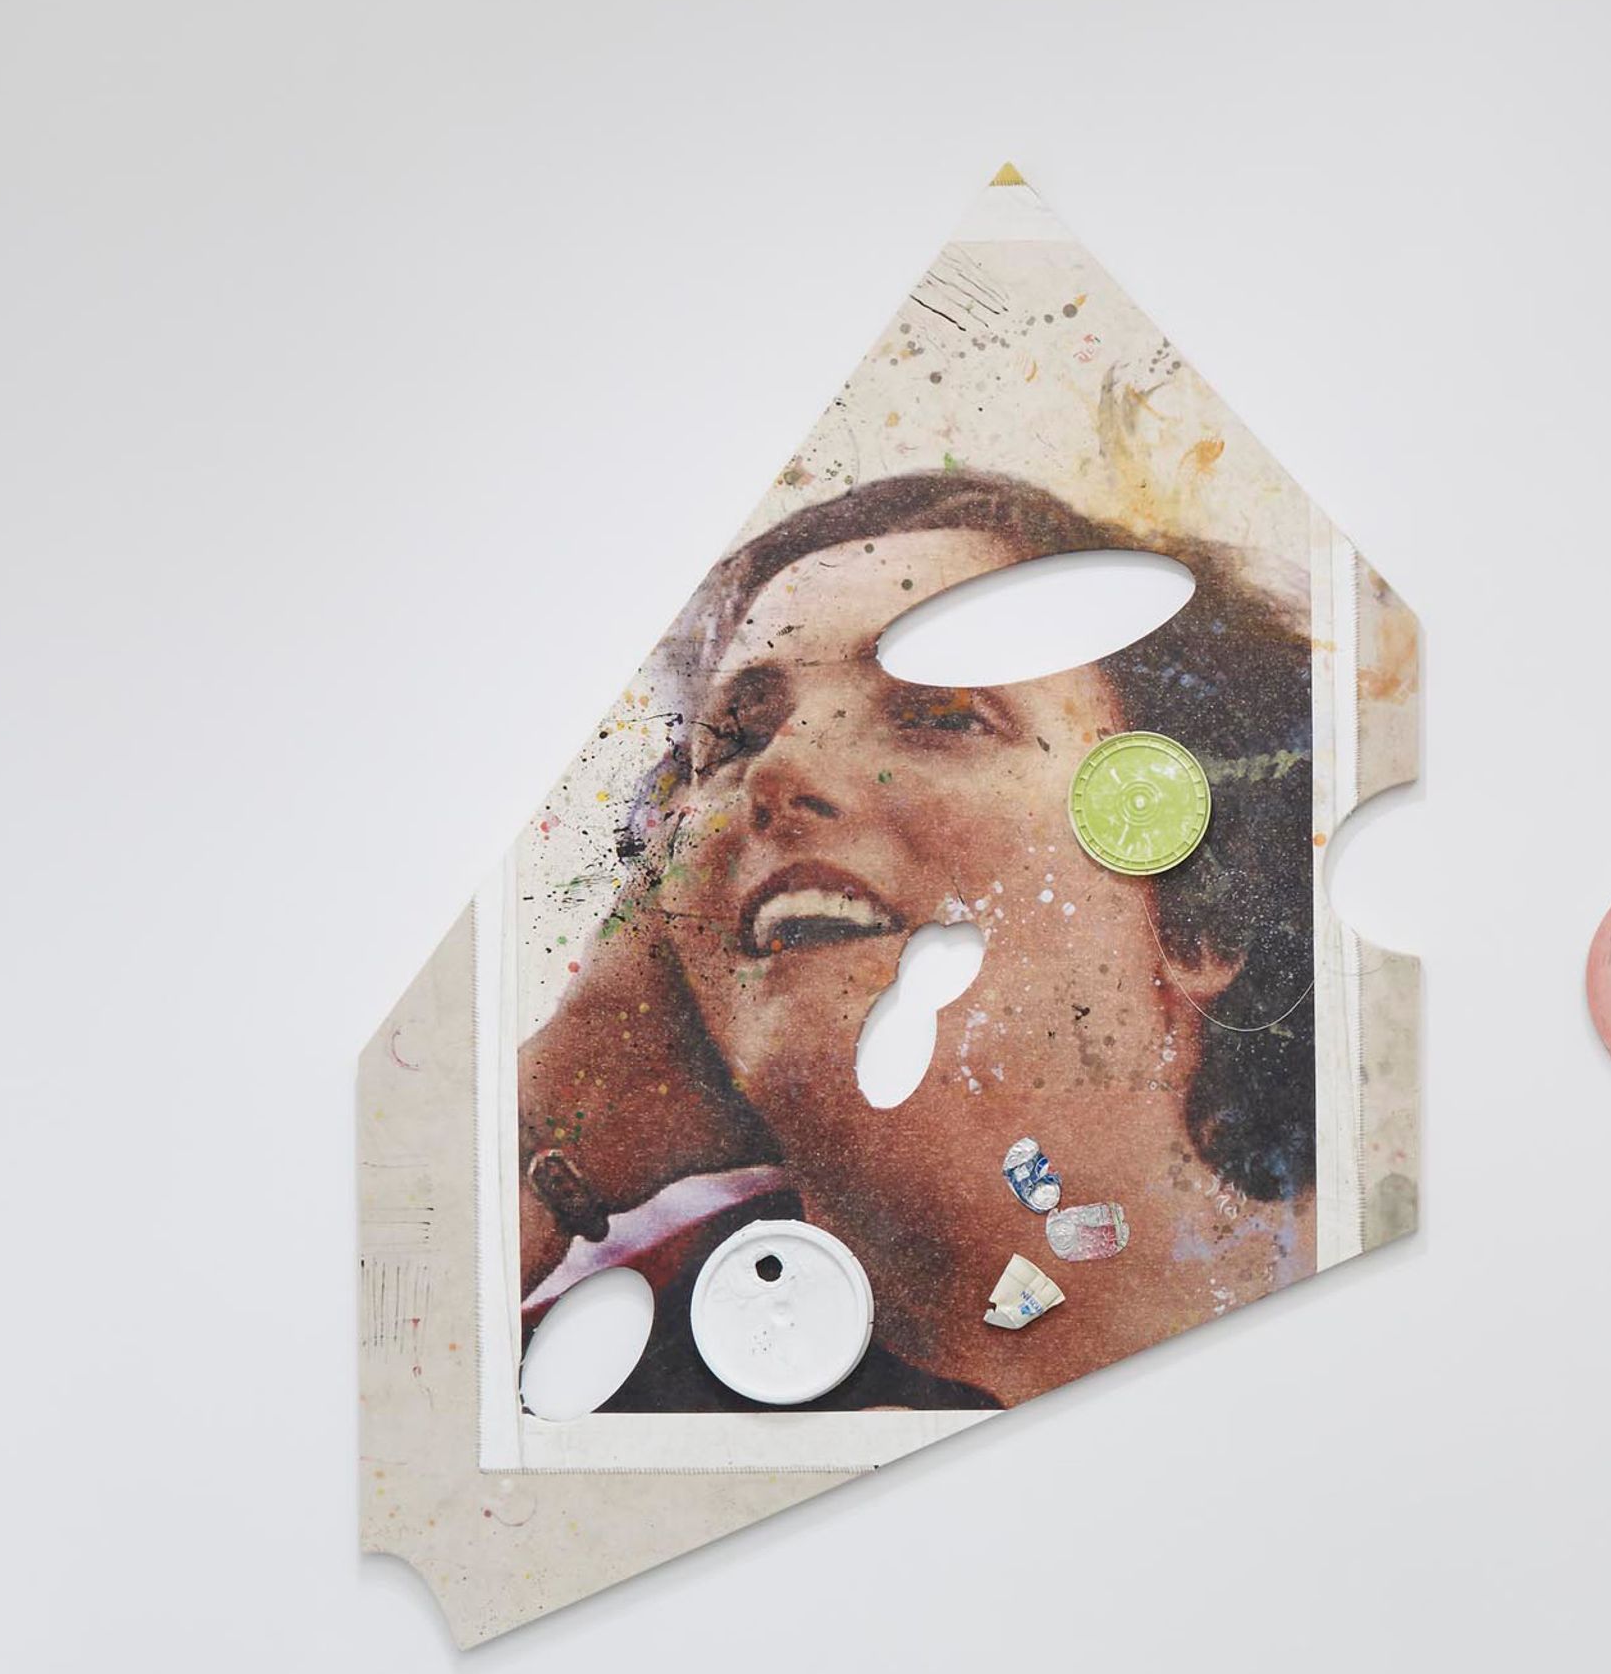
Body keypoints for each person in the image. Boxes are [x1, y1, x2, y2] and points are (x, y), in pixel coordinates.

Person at [515, 471, 1317, 1410]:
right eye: (733, 739)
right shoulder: (585, 1361)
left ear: (1201, 909)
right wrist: (567, 1109)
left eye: (941, 714)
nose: (779, 769)